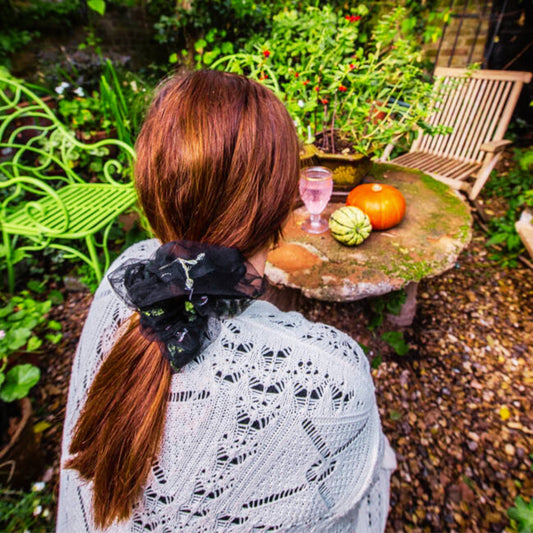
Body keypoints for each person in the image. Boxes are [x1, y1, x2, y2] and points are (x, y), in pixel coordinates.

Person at [57, 69, 395, 533]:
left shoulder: (127, 281)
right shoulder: (331, 383)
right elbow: (357, 506)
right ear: (281, 207)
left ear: (150, 186)